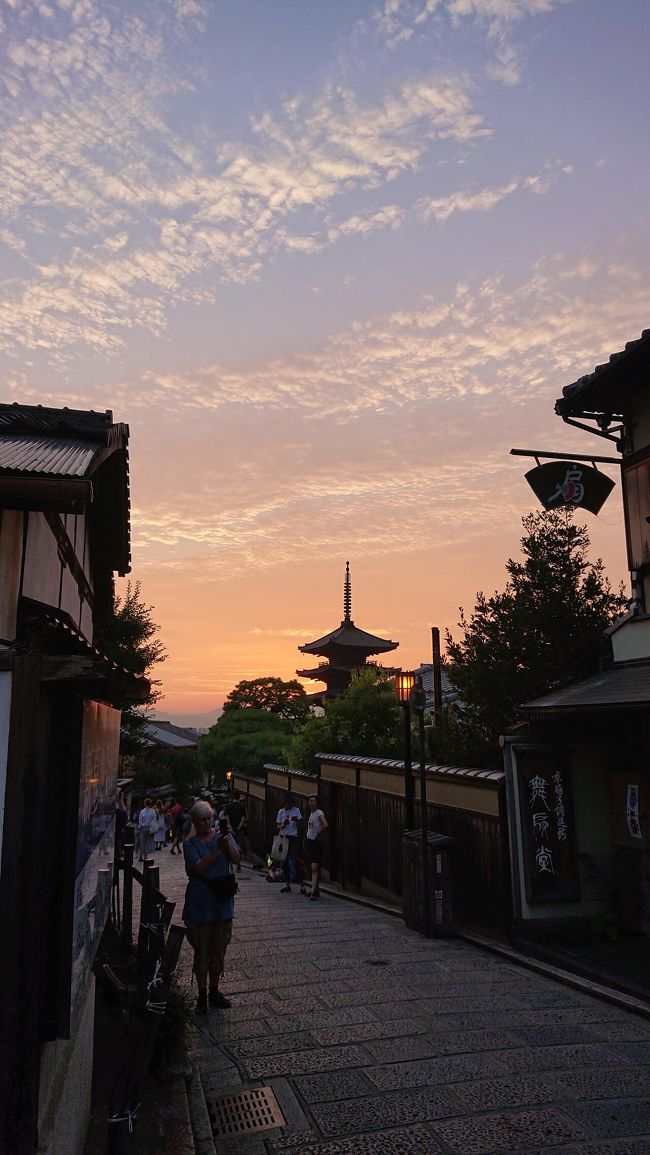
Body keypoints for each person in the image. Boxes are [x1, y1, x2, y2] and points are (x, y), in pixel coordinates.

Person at [182, 801, 240, 1013]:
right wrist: (218, 850)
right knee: (202, 948)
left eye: (210, 818)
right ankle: (202, 993)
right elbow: (198, 868)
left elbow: (236, 858)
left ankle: (215, 990)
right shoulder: (190, 844)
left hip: (222, 902)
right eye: (203, 820)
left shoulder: (222, 836)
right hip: (200, 902)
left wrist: (228, 843)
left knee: (219, 948)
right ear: (195, 822)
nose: (207, 823)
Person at [276, 792, 303, 894]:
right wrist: (283, 824)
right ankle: (287, 884)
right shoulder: (281, 812)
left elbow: (301, 824)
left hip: (294, 837)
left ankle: (301, 884)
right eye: (287, 803)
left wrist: (297, 821)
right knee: (285, 862)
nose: (288, 805)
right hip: (284, 838)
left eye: (290, 803)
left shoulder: (296, 810)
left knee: (295, 860)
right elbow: (277, 827)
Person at [304, 795, 328, 901]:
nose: (312, 803)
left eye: (314, 801)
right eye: (310, 801)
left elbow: (325, 824)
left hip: (316, 843)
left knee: (314, 867)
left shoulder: (319, 813)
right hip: (309, 841)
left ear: (317, 803)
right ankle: (315, 889)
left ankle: (313, 891)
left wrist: (319, 832)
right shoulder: (311, 814)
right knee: (313, 866)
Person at [137, 796, 156, 862]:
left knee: (142, 841)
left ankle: (140, 856)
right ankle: (145, 856)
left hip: (143, 828)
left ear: (145, 803)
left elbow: (140, 820)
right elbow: (154, 820)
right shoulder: (152, 811)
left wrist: (139, 827)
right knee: (148, 842)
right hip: (150, 828)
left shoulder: (142, 811)